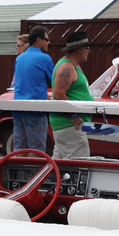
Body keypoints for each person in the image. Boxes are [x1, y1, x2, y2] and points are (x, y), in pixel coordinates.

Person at [49, 31, 93, 160]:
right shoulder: (67, 67)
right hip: (70, 125)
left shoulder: (72, 65)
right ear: (79, 49)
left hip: (67, 125)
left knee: (60, 163)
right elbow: (58, 94)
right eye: (87, 47)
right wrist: (74, 116)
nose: (88, 51)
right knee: (78, 163)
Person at [12, 26, 53, 152]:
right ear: (38, 40)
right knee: (37, 151)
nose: (49, 42)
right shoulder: (45, 58)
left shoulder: (19, 58)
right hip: (35, 111)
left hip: (18, 109)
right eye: (46, 39)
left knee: (20, 149)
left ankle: (19, 166)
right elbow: (56, 82)